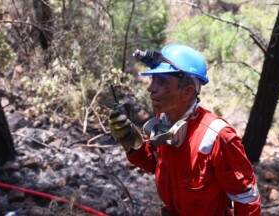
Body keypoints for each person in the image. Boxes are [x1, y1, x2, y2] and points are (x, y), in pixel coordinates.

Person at [109, 43, 261, 215]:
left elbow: (247, 200)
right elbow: (155, 164)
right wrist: (130, 138)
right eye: (153, 79)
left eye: (162, 81)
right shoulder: (164, 121)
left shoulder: (218, 137)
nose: (151, 88)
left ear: (188, 91)